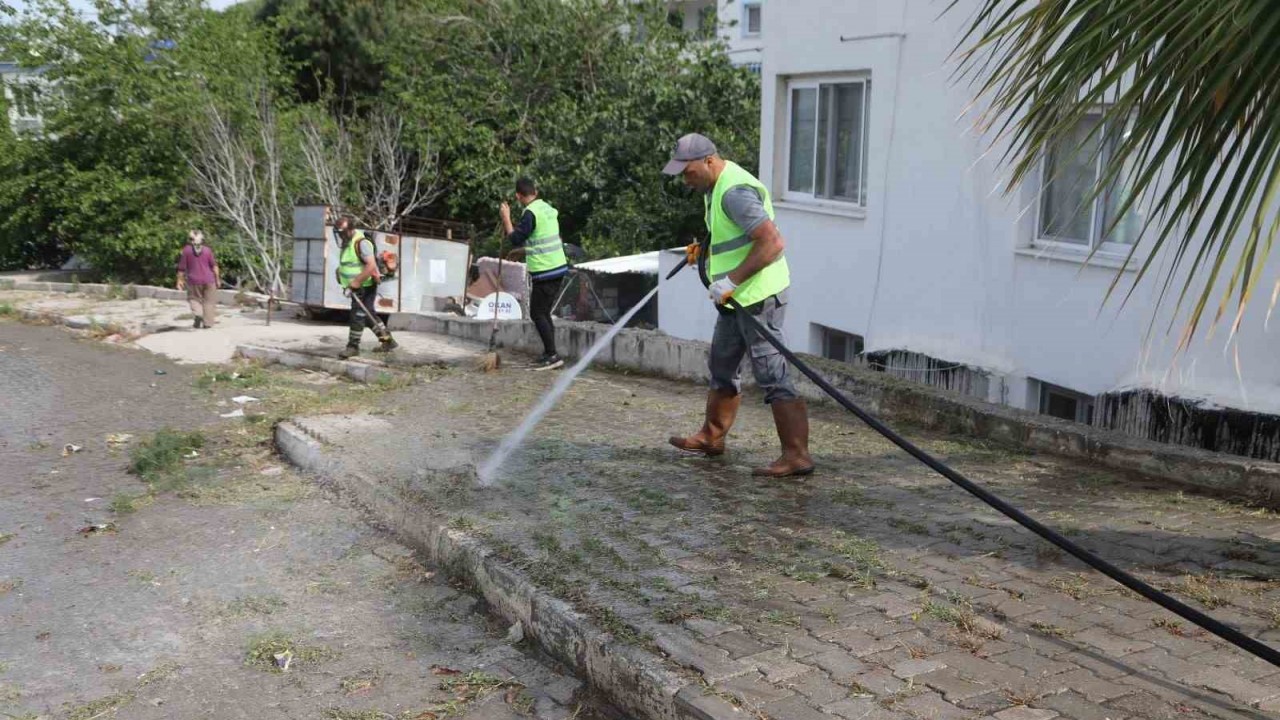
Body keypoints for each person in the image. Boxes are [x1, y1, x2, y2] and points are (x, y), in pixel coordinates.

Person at [661, 133, 815, 478]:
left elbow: (772, 243)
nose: (685, 181)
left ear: (709, 161)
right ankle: (711, 437)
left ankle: (797, 455)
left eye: (688, 172)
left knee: (772, 374)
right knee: (722, 364)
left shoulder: (734, 192)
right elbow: (734, 233)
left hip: (758, 297)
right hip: (736, 300)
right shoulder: (714, 187)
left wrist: (730, 281)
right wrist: (704, 251)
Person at [500, 177, 567, 371]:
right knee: (543, 312)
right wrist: (521, 252)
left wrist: (506, 218)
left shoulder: (530, 213)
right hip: (557, 267)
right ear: (535, 191)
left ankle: (553, 355)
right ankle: (549, 353)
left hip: (545, 270)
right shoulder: (547, 209)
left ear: (518, 196)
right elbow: (539, 239)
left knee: (537, 313)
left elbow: (515, 238)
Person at [333, 215, 397, 358]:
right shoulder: (347, 241)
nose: (341, 236)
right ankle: (388, 341)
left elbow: (371, 265)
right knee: (369, 315)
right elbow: (351, 262)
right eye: (339, 234)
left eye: (343, 233)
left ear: (350, 230)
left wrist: (356, 282)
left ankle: (352, 346)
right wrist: (340, 272)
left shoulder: (361, 242)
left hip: (364, 286)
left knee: (358, 315)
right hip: (356, 286)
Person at [176, 230, 220, 329]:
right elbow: (215, 266)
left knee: (193, 299)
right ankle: (208, 324)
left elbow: (181, 268)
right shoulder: (207, 250)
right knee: (209, 302)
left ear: (190, 240)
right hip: (209, 280)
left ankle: (198, 314)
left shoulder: (186, 250)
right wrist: (217, 279)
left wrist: (179, 281)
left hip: (193, 281)